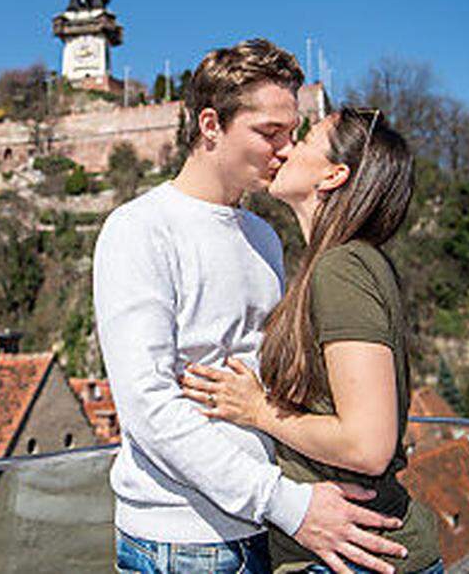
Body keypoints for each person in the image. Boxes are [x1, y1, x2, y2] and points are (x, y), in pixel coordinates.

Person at [94, 40, 408, 574]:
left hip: (269, 527)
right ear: (211, 125)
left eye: (292, 134)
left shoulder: (264, 237)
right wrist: (287, 502)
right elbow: (147, 408)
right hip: (182, 540)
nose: (286, 150)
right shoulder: (138, 229)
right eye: (270, 133)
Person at [180, 107, 443, 573]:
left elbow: (367, 444)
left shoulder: (341, 269)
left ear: (333, 175)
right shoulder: (346, 263)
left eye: (303, 142)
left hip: (354, 557)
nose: (285, 148)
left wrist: (259, 410)